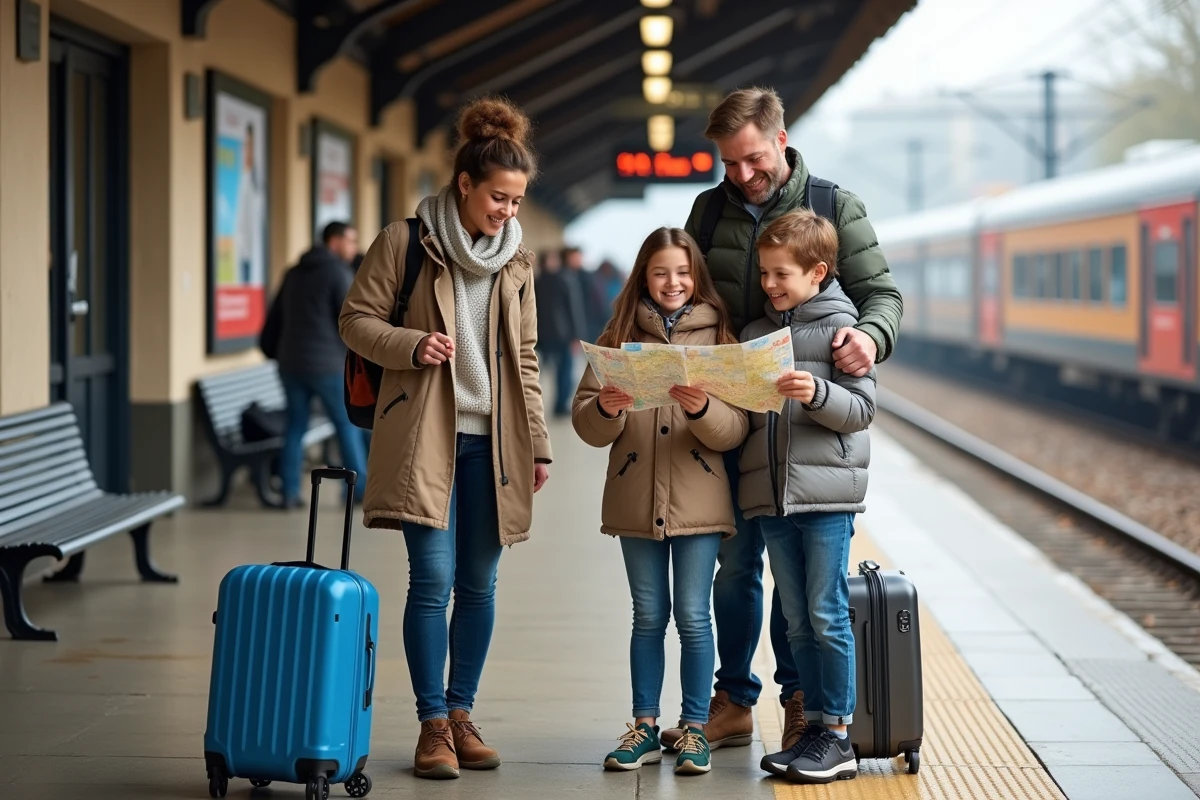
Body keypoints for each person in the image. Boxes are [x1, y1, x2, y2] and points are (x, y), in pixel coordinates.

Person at [666, 86, 901, 754]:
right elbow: (691, 295)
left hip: (799, 429)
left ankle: (802, 704)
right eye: (728, 163)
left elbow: (881, 293)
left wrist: (871, 338)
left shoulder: (832, 205)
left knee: (798, 582)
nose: (741, 175)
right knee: (734, 568)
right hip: (732, 423)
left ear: (781, 138)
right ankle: (734, 699)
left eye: (751, 159)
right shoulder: (708, 212)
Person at [339, 96, 552, 780]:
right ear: (464, 184)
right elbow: (354, 319)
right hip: (425, 437)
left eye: (518, 201)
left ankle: (463, 713)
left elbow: (526, 358)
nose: (508, 212)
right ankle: (432, 724)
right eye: (498, 197)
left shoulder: (517, 263)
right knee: (431, 580)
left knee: (480, 584)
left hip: (494, 447)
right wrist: (409, 344)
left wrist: (538, 443)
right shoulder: (406, 241)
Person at [572, 228, 748, 776]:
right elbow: (586, 425)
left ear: (696, 276)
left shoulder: (721, 337)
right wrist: (606, 407)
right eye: (659, 272)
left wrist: (702, 411)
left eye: (682, 272)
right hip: (635, 496)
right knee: (648, 615)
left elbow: (737, 429)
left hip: (699, 500)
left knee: (695, 617)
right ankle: (643, 728)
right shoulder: (619, 335)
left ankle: (694, 729)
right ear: (643, 277)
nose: (672, 283)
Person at [739, 209, 875, 783]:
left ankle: (837, 735)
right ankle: (812, 729)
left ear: (817, 272)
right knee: (796, 621)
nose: (770, 285)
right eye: (765, 274)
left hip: (824, 499)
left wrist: (818, 392)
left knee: (826, 615)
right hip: (771, 497)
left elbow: (861, 411)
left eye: (781, 275)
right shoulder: (754, 334)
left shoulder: (845, 331)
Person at [260, 220, 364, 508]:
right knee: (346, 424)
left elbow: (275, 317)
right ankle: (358, 490)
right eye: (351, 241)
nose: (354, 248)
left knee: (295, 426)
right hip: (328, 365)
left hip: (291, 364)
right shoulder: (337, 272)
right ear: (335, 241)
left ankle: (289, 491)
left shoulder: (293, 273)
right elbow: (350, 320)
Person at [533, 251, 579, 417]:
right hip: (561, 335)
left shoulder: (535, 282)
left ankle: (532, 406)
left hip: (540, 334)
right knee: (564, 371)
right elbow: (572, 309)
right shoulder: (564, 280)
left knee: (536, 372)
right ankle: (560, 405)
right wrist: (575, 334)